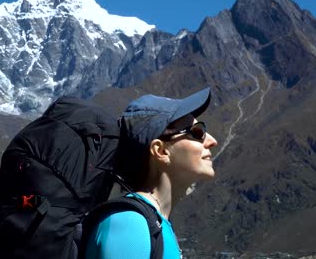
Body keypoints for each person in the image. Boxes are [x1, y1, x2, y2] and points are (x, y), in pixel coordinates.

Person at [85, 87, 218, 258]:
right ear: (160, 151)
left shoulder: (154, 222)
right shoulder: (130, 223)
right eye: (197, 132)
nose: (212, 141)